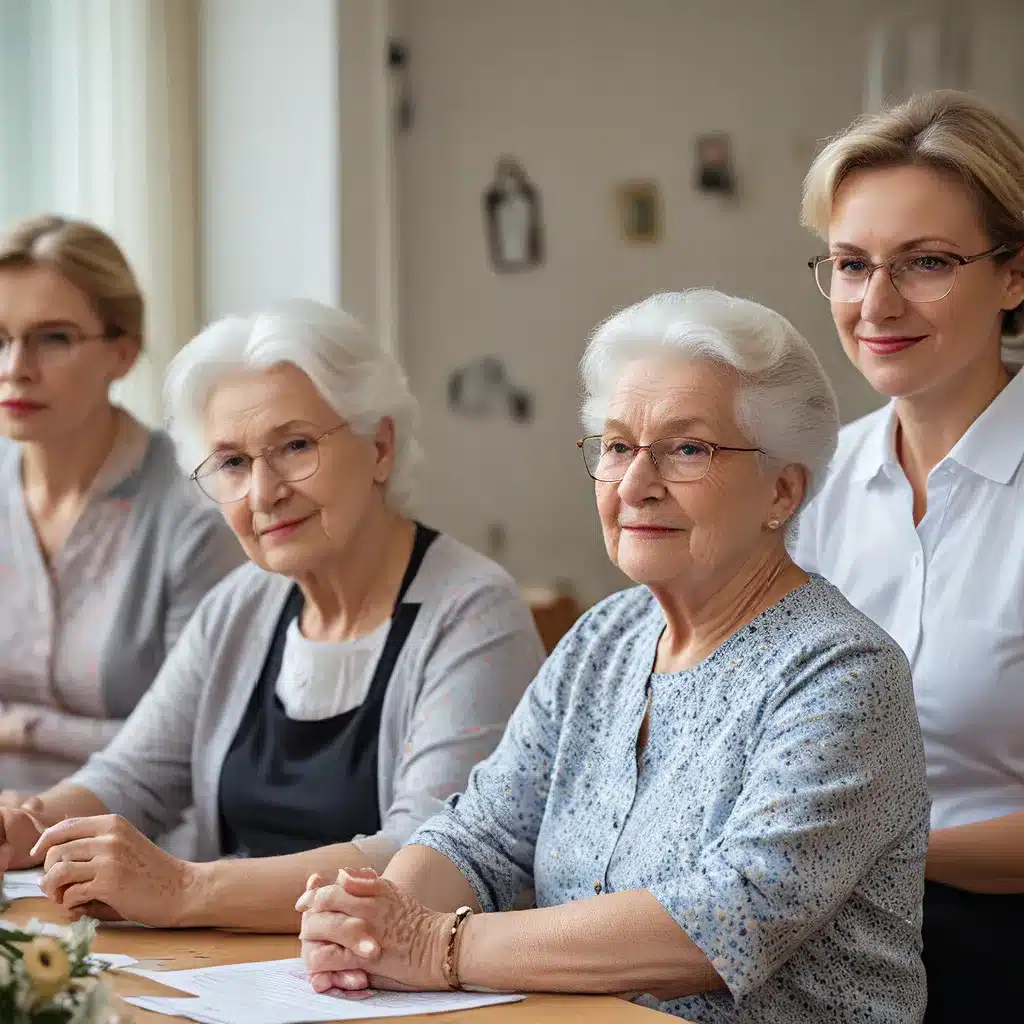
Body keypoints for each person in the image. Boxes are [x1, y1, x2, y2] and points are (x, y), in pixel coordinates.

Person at [296, 290, 931, 1024]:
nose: (634, 485)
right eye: (619, 446)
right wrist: (376, 922)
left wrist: (437, 947)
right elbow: (483, 834)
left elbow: (726, 916)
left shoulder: (842, 673)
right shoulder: (605, 638)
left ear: (782, 491)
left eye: (687, 449)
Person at [0, 299, 545, 932]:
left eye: (294, 446)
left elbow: (425, 860)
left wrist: (185, 888)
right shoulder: (240, 605)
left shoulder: (475, 613)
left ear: (380, 446)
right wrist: (31, 823)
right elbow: (135, 775)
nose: (264, 493)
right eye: (232, 463)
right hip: (234, 978)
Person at [793, 90, 1024, 1023]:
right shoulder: (805, 487)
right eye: (852, 265)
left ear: (1014, 275)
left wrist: (868, 849)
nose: (876, 303)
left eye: (926, 263)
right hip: (816, 936)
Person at [0, 214, 242, 795]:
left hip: (143, 848)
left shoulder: (198, 509)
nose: (15, 368)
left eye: (53, 338)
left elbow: (194, 739)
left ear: (124, 353)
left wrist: (23, 728)